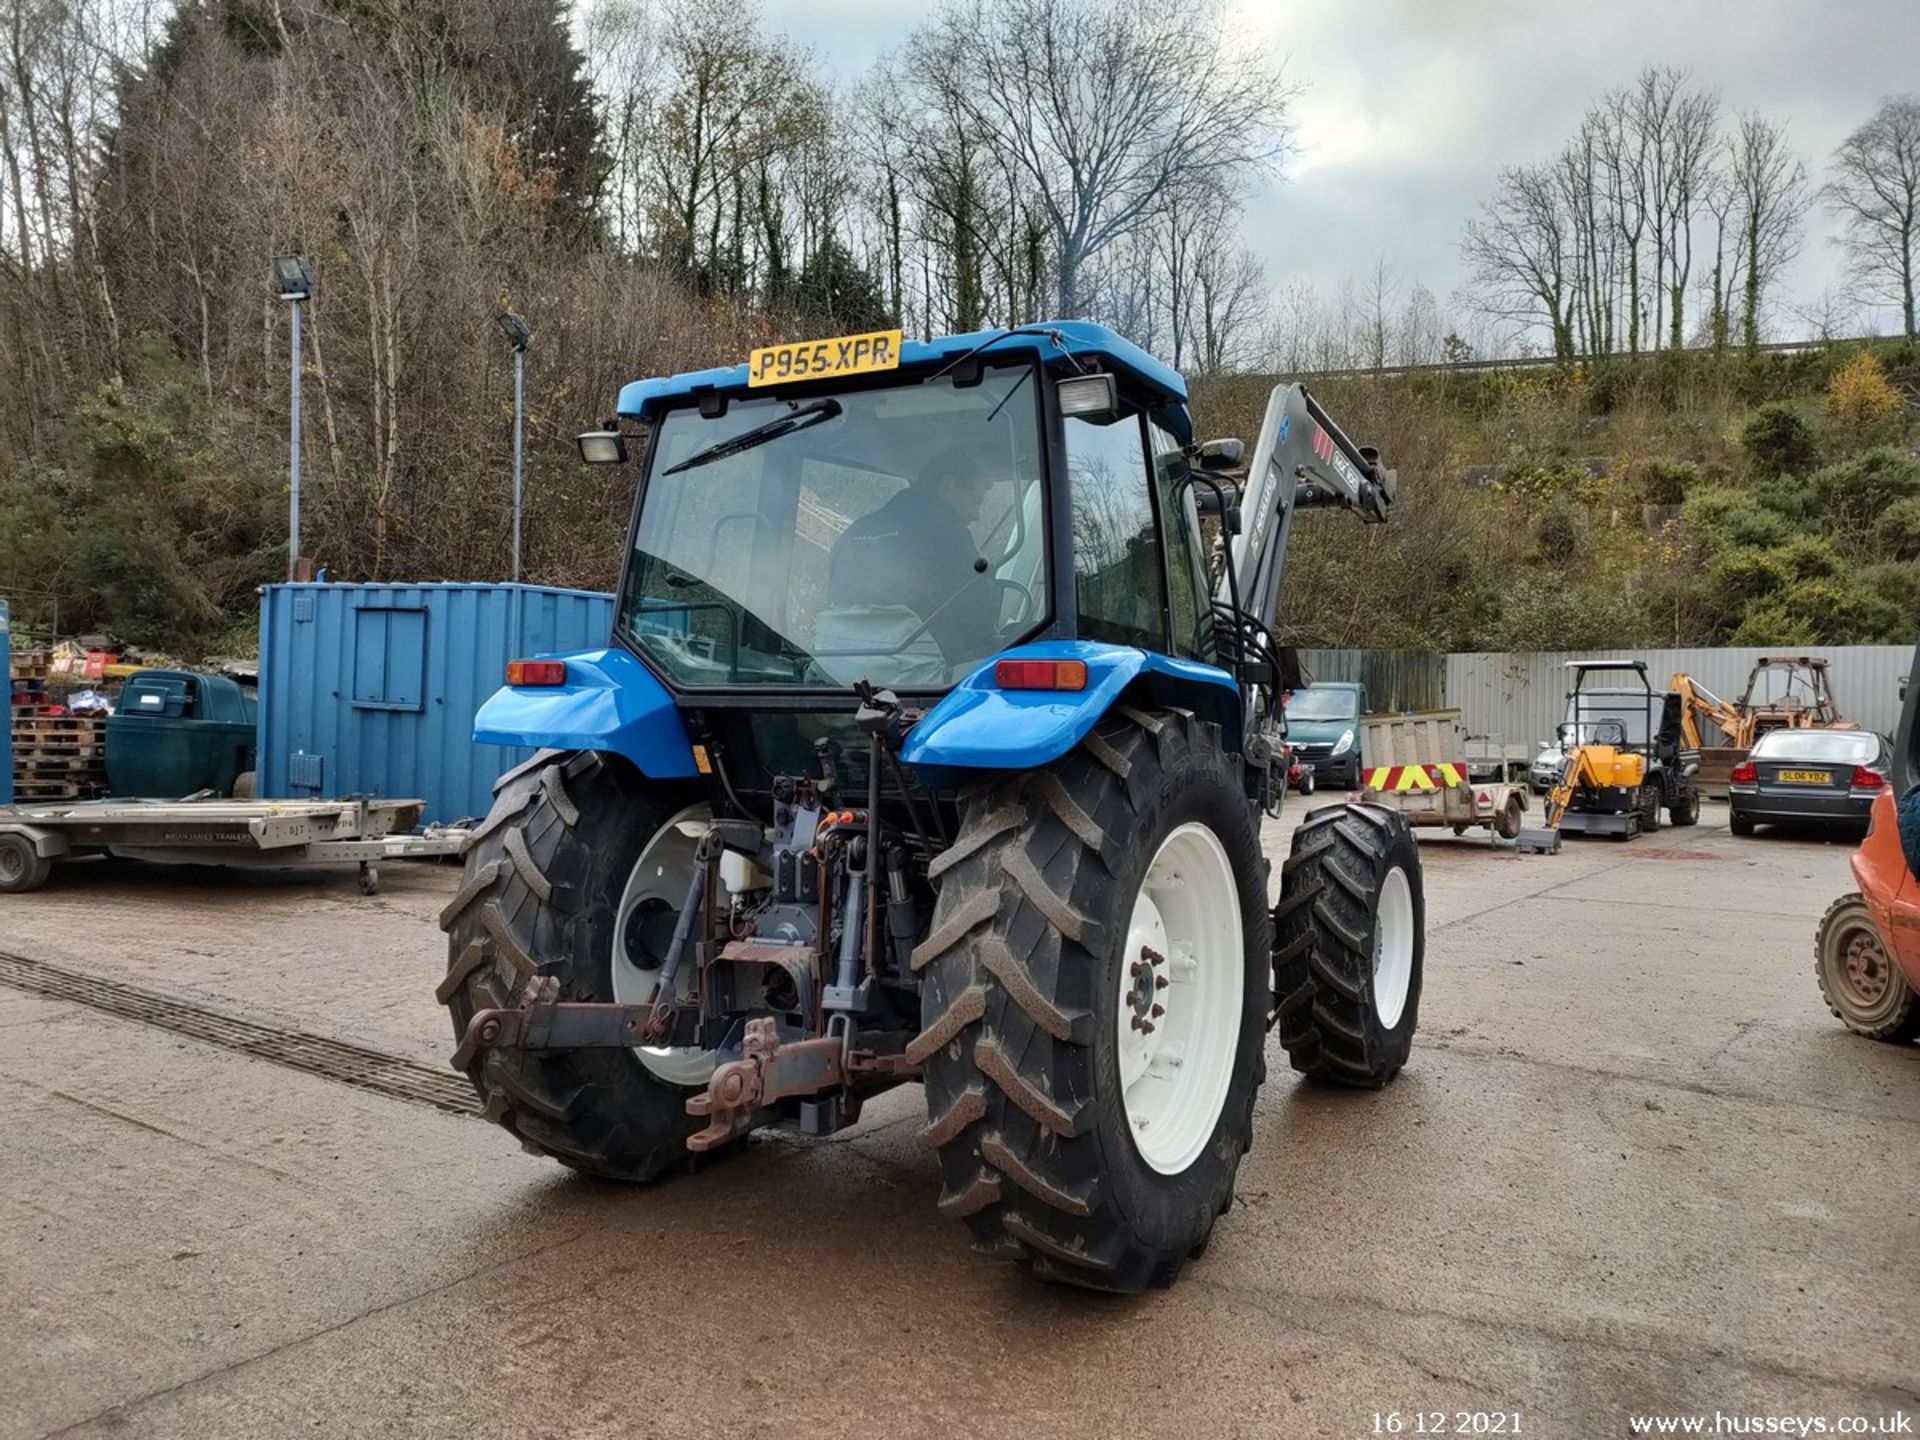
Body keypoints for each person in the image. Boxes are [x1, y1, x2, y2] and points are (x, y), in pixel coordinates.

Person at [826, 448, 1001, 661]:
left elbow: (835, 599)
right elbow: (977, 617)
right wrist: (989, 578)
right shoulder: (950, 533)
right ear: (948, 486)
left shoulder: (855, 532)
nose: (977, 515)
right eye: (975, 501)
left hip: (840, 666)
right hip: (924, 674)